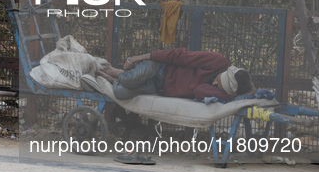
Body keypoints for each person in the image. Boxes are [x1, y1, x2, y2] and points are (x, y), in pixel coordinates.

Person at [97, 48, 255, 101]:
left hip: (159, 87)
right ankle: (112, 73)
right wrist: (138, 58)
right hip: (160, 68)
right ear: (226, 71)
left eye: (219, 87)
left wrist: (230, 95)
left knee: (120, 92)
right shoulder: (218, 61)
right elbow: (179, 55)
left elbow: (199, 91)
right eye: (218, 80)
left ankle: (112, 75)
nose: (214, 84)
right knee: (129, 80)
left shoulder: (224, 92)